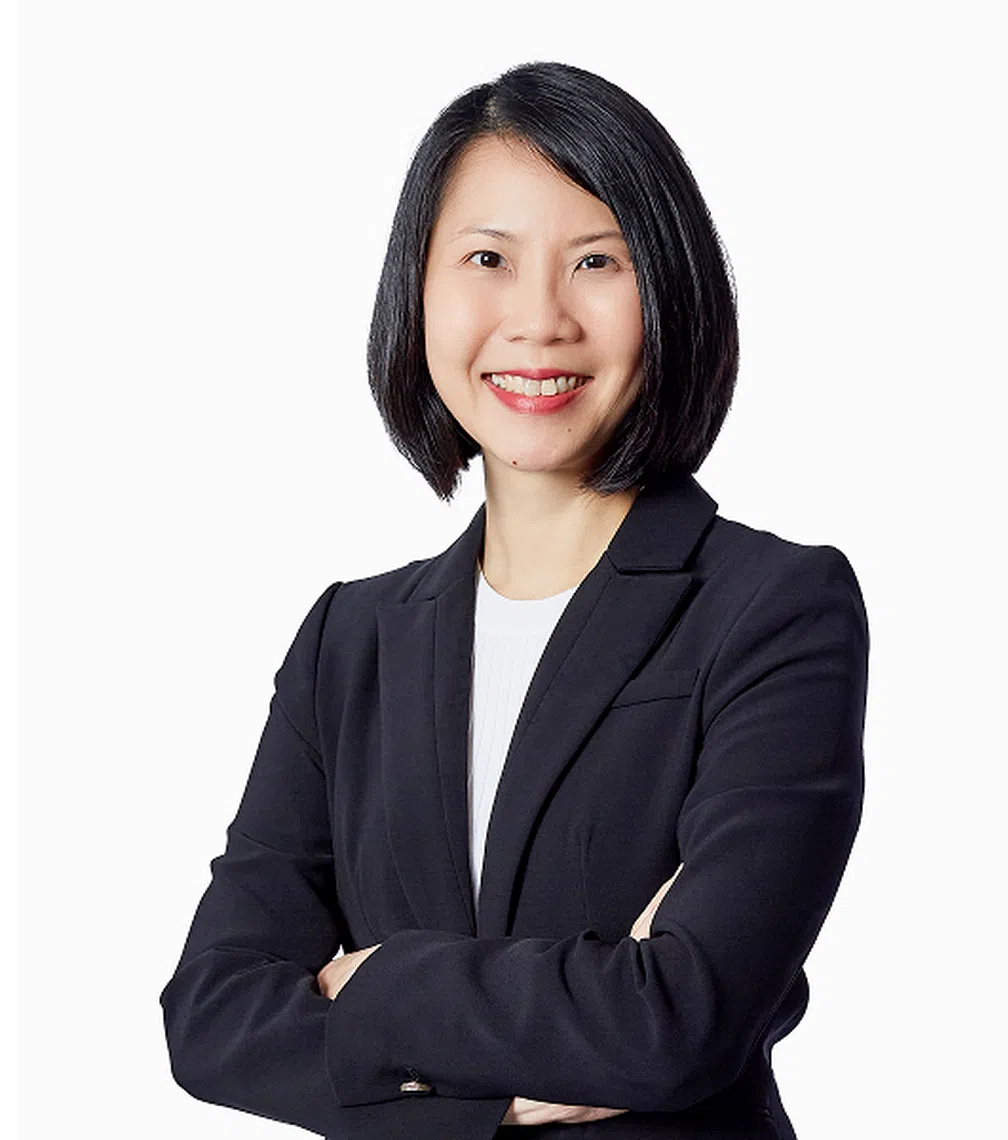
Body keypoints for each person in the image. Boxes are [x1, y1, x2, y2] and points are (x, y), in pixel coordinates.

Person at [159, 61, 869, 1140]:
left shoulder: (773, 609)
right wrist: (526, 1067)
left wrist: (376, 985)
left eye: (597, 262)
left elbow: (679, 1021)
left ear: (669, 291)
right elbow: (212, 1017)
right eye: (487, 259)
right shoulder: (351, 639)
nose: (538, 321)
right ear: (419, 289)